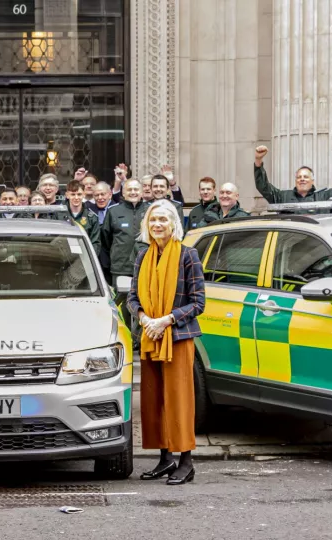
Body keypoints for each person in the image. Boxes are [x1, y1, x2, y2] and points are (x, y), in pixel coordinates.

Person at [127, 199, 206, 486]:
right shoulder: (143, 256)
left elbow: (198, 303)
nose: (157, 224)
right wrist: (145, 318)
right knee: (154, 399)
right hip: (150, 336)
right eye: (152, 220)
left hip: (178, 339)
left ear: (174, 224)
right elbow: (132, 296)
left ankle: (186, 461)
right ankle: (165, 459)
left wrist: (167, 320)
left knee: (179, 400)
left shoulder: (188, 255)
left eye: (162, 219)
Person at [254, 143, 332, 214]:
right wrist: (258, 161)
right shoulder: (283, 197)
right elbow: (263, 187)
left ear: (312, 181)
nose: (302, 179)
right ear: (295, 181)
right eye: (299, 177)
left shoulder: (323, 197)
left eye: (306, 177)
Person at [102, 179, 147, 285]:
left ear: (141, 192)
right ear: (123, 192)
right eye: (129, 189)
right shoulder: (113, 211)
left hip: (145, 266)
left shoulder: (150, 210)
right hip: (120, 268)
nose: (133, 192)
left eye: (136, 189)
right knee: (121, 300)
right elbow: (105, 240)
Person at [64, 180, 103, 259]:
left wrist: (89, 259)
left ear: (84, 195)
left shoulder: (92, 218)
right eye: (73, 194)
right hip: (62, 257)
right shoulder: (58, 215)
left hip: (84, 260)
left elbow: (95, 243)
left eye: (79, 194)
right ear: (67, 195)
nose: (76, 197)